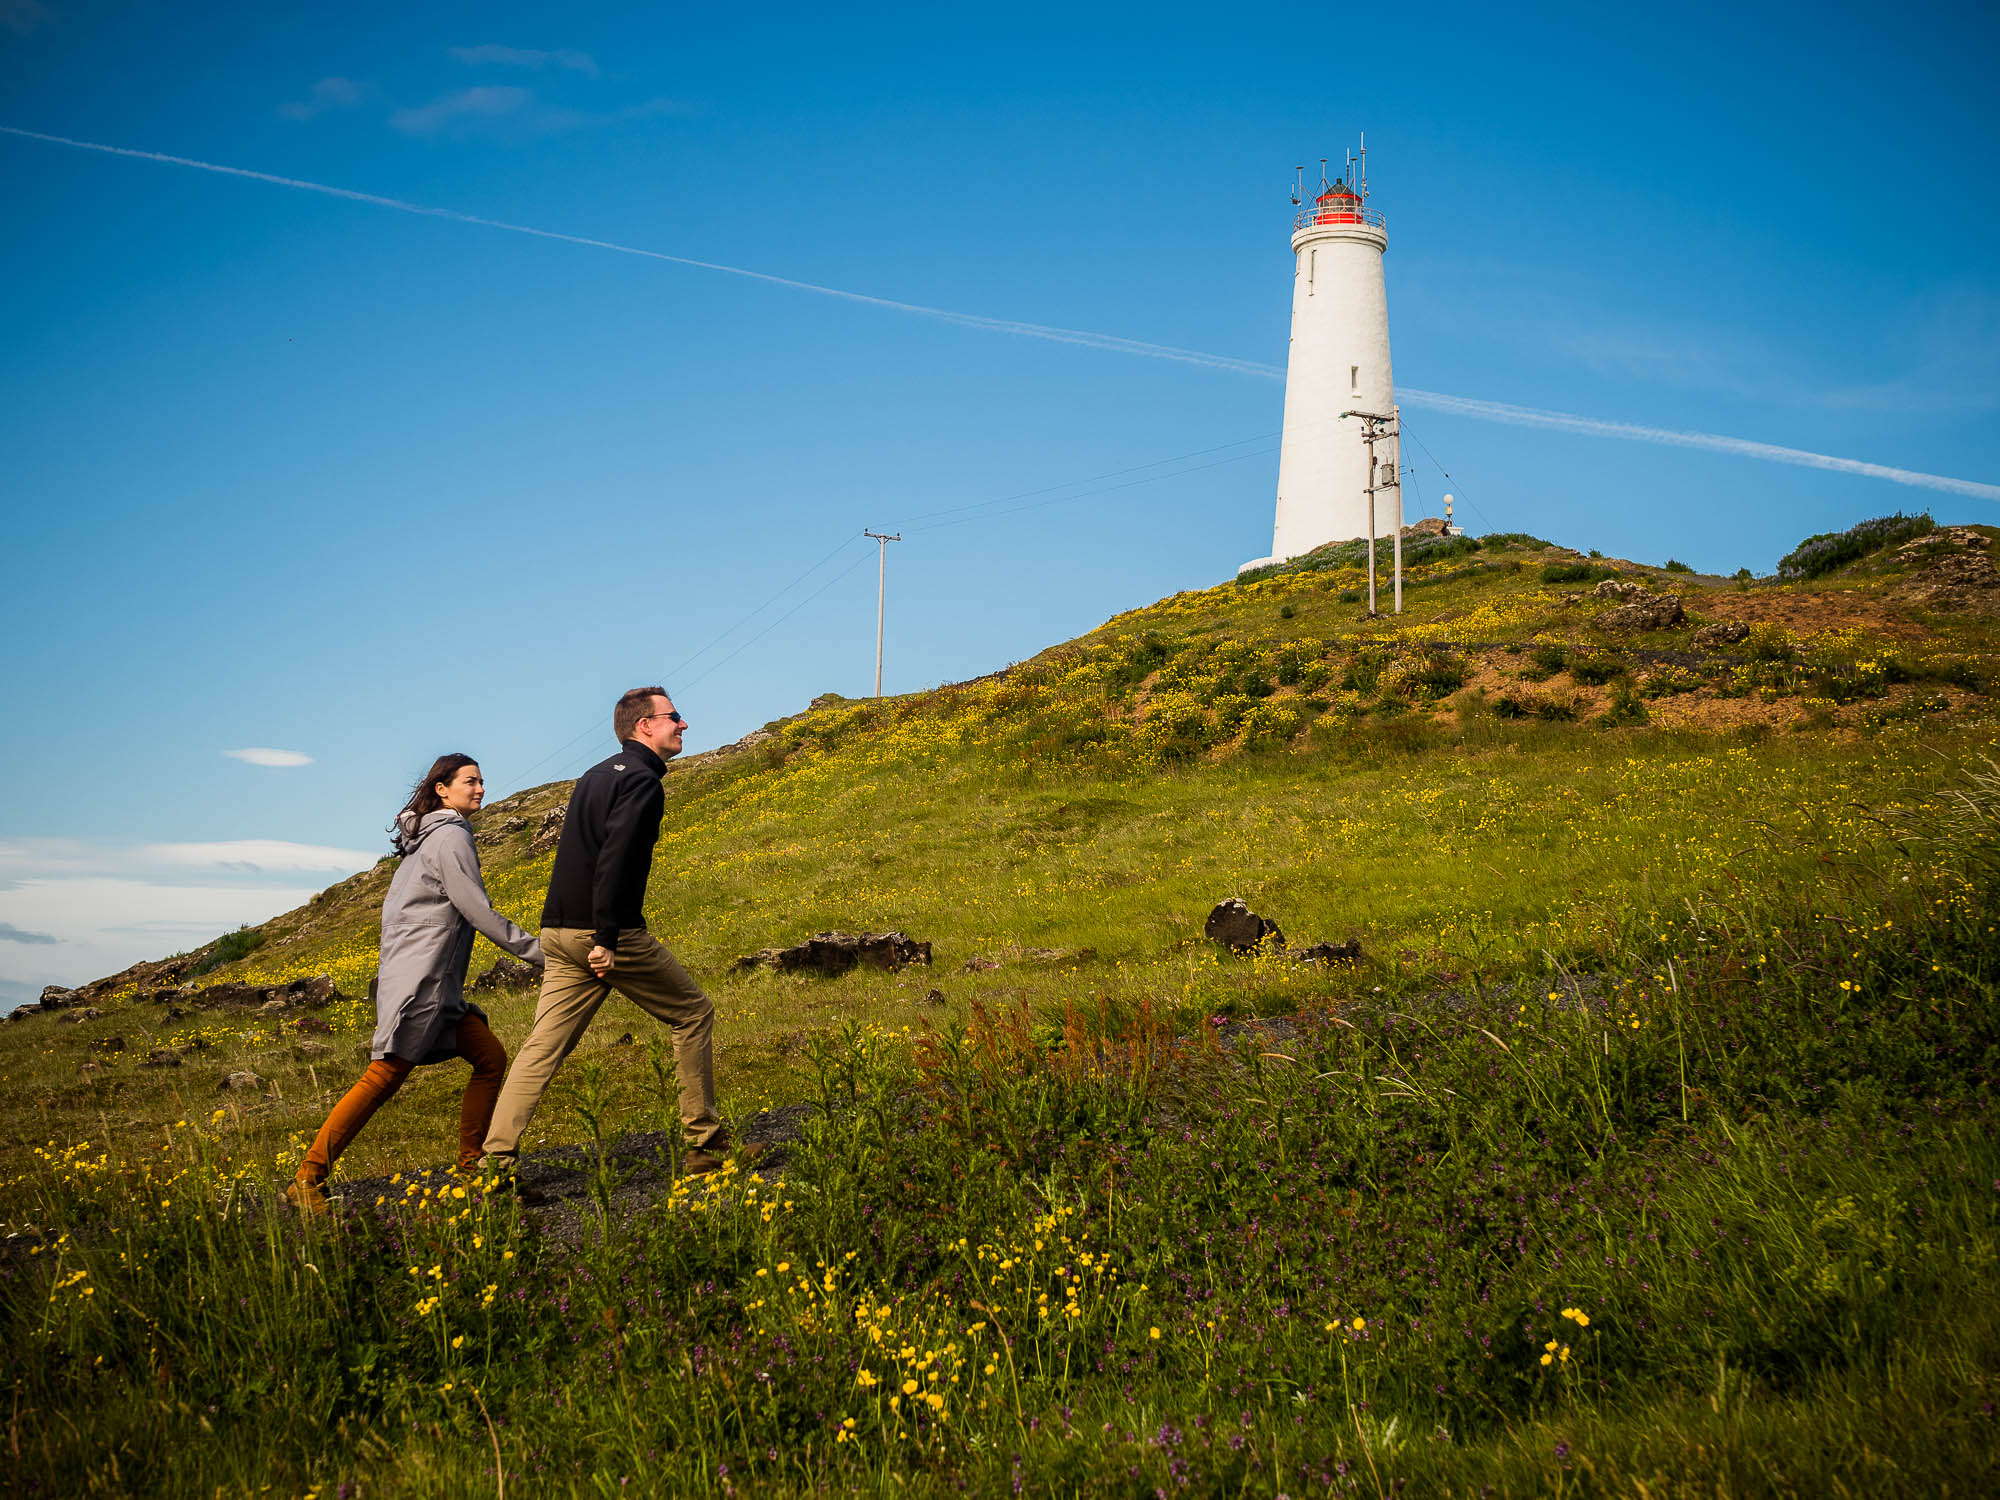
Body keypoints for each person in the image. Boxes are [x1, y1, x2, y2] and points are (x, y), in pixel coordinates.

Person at [483, 686, 728, 1180]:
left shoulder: (595, 776)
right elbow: (617, 859)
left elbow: (579, 854)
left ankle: (495, 1165)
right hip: (602, 932)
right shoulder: (641, 781)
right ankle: (704, 1146)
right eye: (674, 716)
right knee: (693, 1013)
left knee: (541, 1048)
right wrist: (607, 939)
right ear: (645, 726)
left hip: (558, 931)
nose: (683, 724)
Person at [286, 754, 543, 1213]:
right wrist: (541, 953)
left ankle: (474, 1168)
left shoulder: (425, 836)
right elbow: (476, 910)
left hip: (429, 982)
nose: (480, 788)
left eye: (482, 781)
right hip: (424, 985)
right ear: (442, 789)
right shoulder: (449, 836)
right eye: (470, 781)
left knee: (489, 1056)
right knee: (384, 1077)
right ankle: (308, 1178)